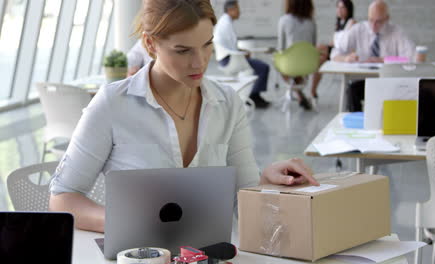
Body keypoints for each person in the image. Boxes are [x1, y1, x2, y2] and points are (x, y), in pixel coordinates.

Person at [48, 0, 318, 233]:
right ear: (150, 43)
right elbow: (62, 198)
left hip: (209, 253)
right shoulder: (111, 105)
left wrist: (267, 181)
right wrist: (123, 222)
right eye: (183, 50)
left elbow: (243, 197)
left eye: (207, 45)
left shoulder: (228, 104)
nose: (199, 62)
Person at [331, 0, 415, 111]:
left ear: (387, 18)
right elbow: (335, 53)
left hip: (388, 82)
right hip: (364, 80)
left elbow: (410, 58)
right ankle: (356, 122)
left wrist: (383, 60)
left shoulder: (397, 32)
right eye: (371, 20)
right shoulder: (359, 29)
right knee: (351, 90)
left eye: (379, 21)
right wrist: (346, 58)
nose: (373, 25)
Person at [213, 0, 271, 108]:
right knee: (264, 67)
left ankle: (255, 95)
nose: (239, 12)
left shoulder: (224, 22)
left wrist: (242, 52)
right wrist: (242, 53)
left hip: (227, 58)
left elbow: (229, 46)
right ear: (231, 10)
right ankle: (254, 96)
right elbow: (231, 48)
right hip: (230, 60)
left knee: (259, 67)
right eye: (237, 9)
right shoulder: (226, 24)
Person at [277, 0, 317, 110]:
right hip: (307, 66)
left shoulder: (284, 20)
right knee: (297, 66)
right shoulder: (311, 22)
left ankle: (297, 92)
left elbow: (281, 48)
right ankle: (299, 93)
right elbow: (313, 46)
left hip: (290, 66)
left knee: (278, 61)